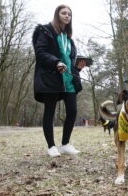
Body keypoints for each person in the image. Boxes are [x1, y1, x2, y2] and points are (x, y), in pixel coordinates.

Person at [32, 4, 88, 157]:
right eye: (64, 13)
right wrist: (56, 62)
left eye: (69, 14)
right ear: (57, 15)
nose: (67, 16)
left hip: (69, 80)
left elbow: (69, 61)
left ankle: (65, 144)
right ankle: (51, 147)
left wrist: (78, 68)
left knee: (72, 111)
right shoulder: (45, 31)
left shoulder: (69, 38)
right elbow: (40, 52)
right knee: (49, 112)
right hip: (51, 78)